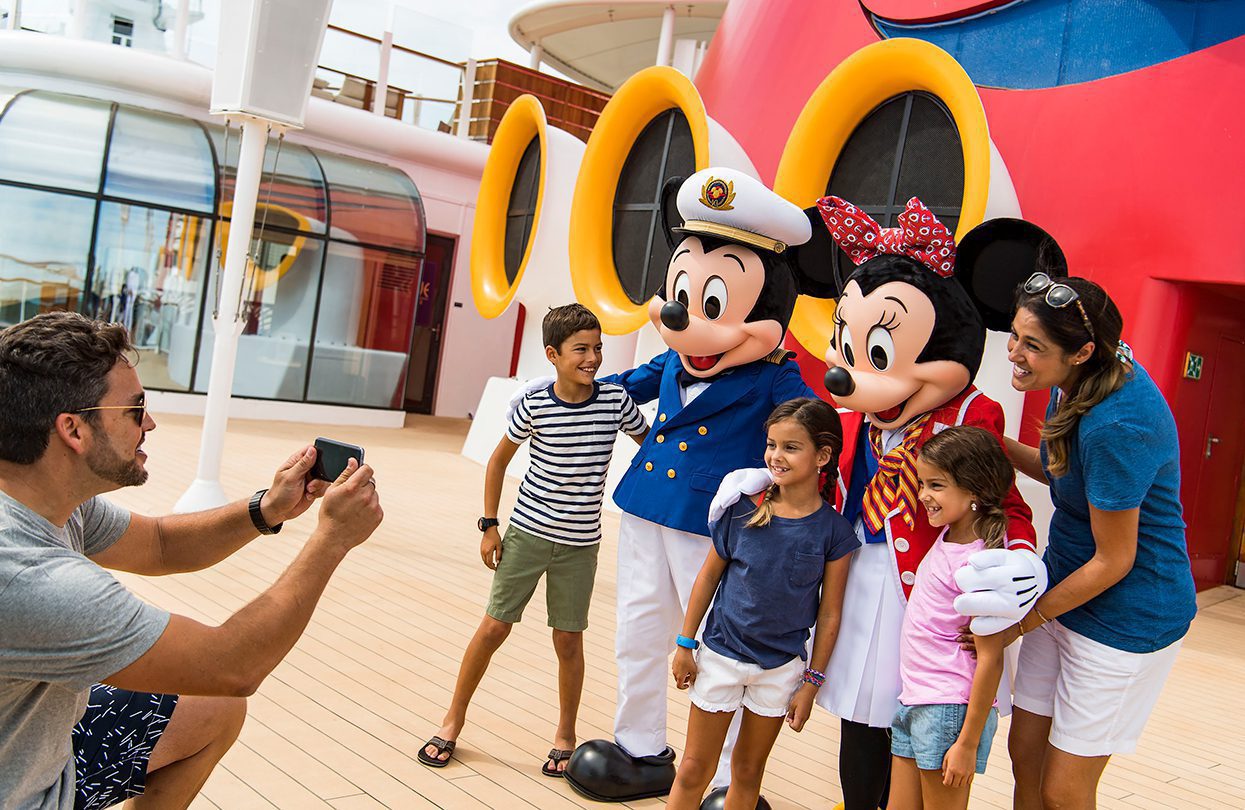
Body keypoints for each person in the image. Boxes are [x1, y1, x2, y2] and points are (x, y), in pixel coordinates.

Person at [0, 311, 383, 809]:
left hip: (36, 746)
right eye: (135, 409)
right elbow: (232, 665)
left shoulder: (42, 499)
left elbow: (160, 543)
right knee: (220, 687)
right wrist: (332, 540)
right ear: (73, 429)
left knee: (212, 709)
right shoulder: (33, 580)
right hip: (22, 790)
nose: (151, 423)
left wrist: (268, 508)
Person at [419, 304, 647, 777]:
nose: (593, 358)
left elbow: (653, 445)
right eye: (581, 349)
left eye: (598, 348)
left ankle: (565, 733)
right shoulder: (534, 403)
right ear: (553, 354)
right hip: (526, 535)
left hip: (581, 545)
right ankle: (451, 720)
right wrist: (489, 525)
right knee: (493, 628)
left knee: (568, 640)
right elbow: (498, 461)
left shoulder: (615, 401)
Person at [999, 273, 1196, 809]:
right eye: (1015, 335)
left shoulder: (1117, 424)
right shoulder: (1089, 369)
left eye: (1032, 346)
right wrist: (990, 443)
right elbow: (1067, 472)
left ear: (1083, 351)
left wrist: (1020, 622)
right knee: (1026, 754)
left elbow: (1114, 560)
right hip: (1064, 590)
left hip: (1127, 617)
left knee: (1064, 790)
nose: (1015, 353)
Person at [668, 398, 857, 810]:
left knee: (749, 772)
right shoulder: (741, 509)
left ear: (823, 455)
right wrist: (685, 644)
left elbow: (830, 614)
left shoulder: (835, 533)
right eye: (771, 444)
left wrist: (812, 681)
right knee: (693, 770)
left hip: (780, 670)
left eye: (791, 447)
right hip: (720, 656)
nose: (776, 455)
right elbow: (707, 578)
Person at [889, 426, 1014, 810]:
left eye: (937, 485)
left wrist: (967, 742)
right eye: (923, 483)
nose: (924, 495)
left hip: (948, 710)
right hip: (917, 700)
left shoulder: (981, 563)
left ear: (975, 490)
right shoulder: (947, 538)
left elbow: (991, 658)